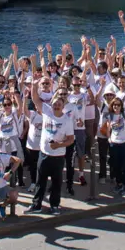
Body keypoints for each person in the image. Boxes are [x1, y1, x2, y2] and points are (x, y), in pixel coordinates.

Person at [25, 78, 75, 214]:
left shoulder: (67, 120)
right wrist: (34, 86)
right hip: (44, 154)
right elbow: (35, 99)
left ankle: (54, 205)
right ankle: (37, 205)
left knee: (56, 182)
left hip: (58, 156)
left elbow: (71, 139)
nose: (56, 106)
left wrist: (60, 144)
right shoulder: (46, 111)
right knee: (40, 181)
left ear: (63, 105)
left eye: (59, 104)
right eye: (54, 104)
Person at [100, 95, 125, 195]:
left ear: (121, 106)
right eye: (114, 105)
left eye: (118, 105)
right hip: (115, 144)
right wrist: (109, 139)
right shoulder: (109, 116)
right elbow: (107, 130)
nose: (116, 107)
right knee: (116, 166)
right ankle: (119, 184)